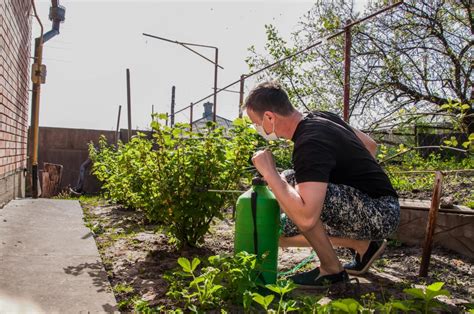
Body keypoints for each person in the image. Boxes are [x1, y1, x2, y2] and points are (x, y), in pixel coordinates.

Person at [244, 81, 400, 288]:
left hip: (379, 215)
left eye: (256, 123)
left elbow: (307, 218)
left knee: (288, 213)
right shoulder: (322, 117)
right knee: (290, 181)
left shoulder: (309, 143)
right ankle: (363, 245)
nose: (257, 129)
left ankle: (331, 271)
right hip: (383, 206)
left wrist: (270, 173)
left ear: (270, 117)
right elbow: (370, 146)